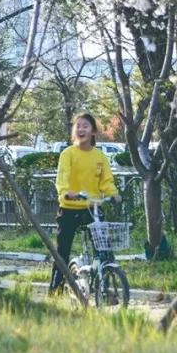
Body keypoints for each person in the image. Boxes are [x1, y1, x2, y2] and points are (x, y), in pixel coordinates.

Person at [49, 113, 122, 291]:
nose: (81, 129)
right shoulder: (68, 154)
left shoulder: (100, 156)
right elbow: (62, 177)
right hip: (69, 208)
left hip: (92, 208)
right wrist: (66, 193)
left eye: (85, 126)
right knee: (62, 252)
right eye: (78, 126)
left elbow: (106, 181)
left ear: (93, 132)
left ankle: (105, 288)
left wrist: (113, 194)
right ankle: (55, 291)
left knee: (104, 249)